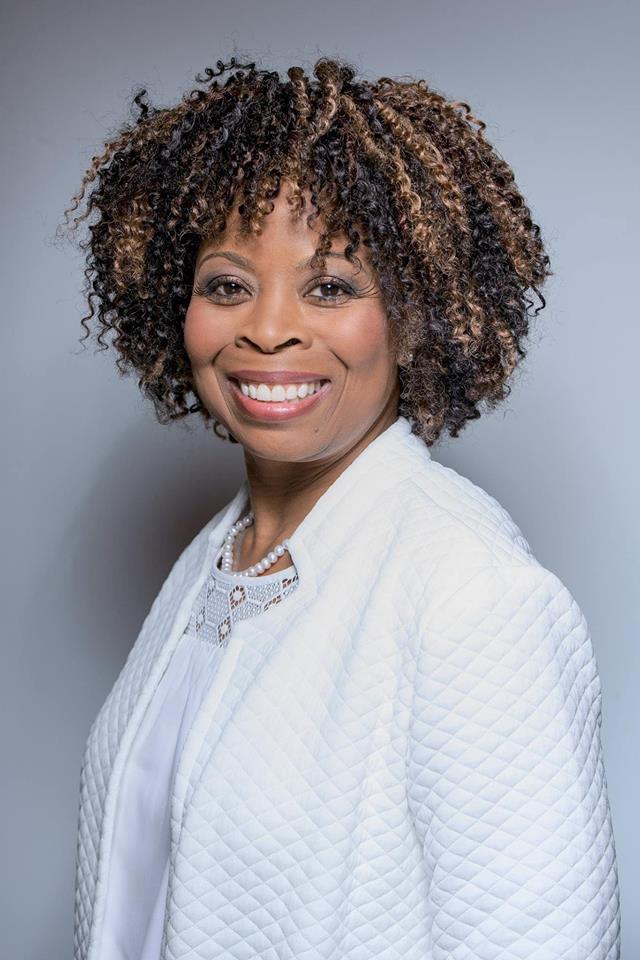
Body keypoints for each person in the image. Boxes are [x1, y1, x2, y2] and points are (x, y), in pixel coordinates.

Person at [61, 56, 621, 960]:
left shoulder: (473, 598)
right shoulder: (215, 564)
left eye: (331, 286)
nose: (268, 327)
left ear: (415, 314)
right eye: (228, 284)